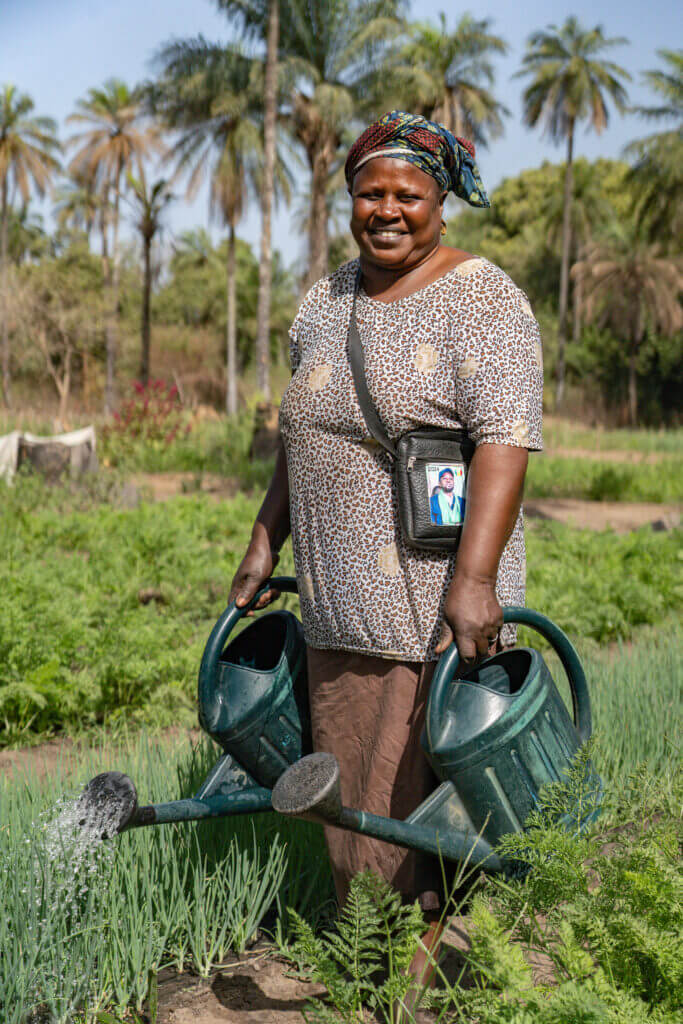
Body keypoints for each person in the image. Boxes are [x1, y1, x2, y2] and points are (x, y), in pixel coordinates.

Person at [229, 110, 543, 1008]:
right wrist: (265, 535)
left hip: (428, 600)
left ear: (441, 202)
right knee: (349, 786)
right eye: (371, 192)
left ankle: (410, 974)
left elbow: (504, 443)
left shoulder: (483, 300)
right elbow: (301, 432)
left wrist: (474, 583)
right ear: (349, 199)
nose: (388, 210)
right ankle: (372, 959)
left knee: (406, 801)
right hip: (338, 605)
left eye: (408, 194)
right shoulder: (322, 301)